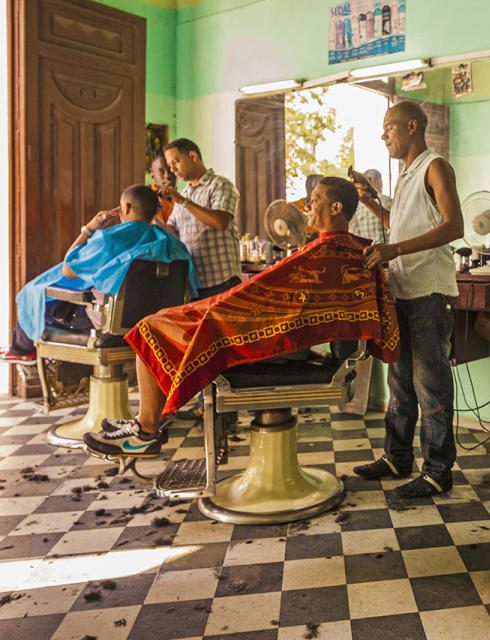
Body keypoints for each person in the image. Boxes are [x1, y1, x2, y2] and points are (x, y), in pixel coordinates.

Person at [82, 177, 399, 458]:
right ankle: (145, 421)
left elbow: (276, 304)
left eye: (314, 201)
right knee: (164, 321)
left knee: (151, 327)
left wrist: (218, 309)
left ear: (335, 208)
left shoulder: (327, 252)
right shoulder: (348, 251)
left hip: (280, 344)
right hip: (285, 338)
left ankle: (145, 431)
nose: (307, 207)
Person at [350, 101, 464, 499]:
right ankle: (398, 457)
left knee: (430, 385)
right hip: (403, 290)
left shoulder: (435, 166)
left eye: (389, 128)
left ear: (412, 126)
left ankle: (437, 471)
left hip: (429, 294)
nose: (384, 136)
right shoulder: (406, 175)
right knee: (399, 383)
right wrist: (372, 205)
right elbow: (403, 226)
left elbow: (453, 226)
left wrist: (394, 250)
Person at [0, 185, 197, 363]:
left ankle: (22, 349)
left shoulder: (109, 239)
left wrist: (90, 229)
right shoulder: (174, 245)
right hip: (154, 327)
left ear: (126, 208)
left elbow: (68, 269)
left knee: (41, 298)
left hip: (109, 326)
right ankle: (22, 348)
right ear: (155, 211)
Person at [161, 138, 242, 299]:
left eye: (176, 162)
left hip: (222, 281)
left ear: (193, 156)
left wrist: (183, 202)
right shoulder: (183, 195)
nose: (172, 169)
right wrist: (151, 215)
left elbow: (220, 222)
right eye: (170, 165)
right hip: (194, 285)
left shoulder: (220, 185)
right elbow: (172, 231)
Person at [349, 168, 391, 243]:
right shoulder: (387, 201)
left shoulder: (355, 204)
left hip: (363, 251)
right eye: (381, 182)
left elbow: (353, 231)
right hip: (385, 251)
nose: (382, 185)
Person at [149, 155, 177, 224]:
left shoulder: (183, 198)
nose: (167, 176)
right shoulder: (146, 197)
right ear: (152, 176)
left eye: (170, 171)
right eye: (161, 172)